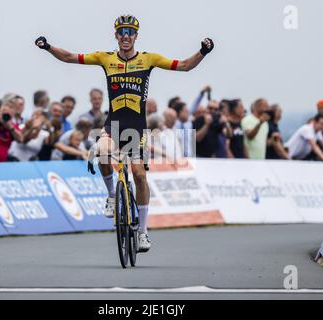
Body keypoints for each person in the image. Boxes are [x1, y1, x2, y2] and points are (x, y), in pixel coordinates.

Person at [36, 14, 214, 252]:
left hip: (137, 128)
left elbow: (183, 66)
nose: (126, 36)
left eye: (130, 32)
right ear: (116, 35)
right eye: (122, 32)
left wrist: (203, 51)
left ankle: (142, 232)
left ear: (136, 36)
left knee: (139, 174)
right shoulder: (105, 58)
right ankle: (112, 195)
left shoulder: (148, 59)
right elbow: (69, 57)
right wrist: (47, 47)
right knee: (101, 152)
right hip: (114, 124)